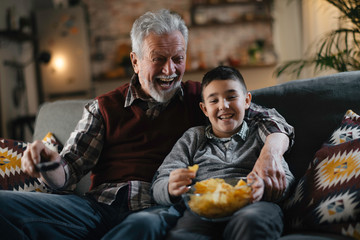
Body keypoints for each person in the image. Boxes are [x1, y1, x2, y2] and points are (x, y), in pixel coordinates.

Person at [0, 9, 293, 240]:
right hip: (96, 208)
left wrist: (271, 154)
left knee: (144, 225)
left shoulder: (201, 98)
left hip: (156, 210)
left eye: (178, 58)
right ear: (135, 61)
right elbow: (66, 176)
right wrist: (49, 164)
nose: (170, 70)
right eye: (159, 59)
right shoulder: (103, 108)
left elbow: (265, 118)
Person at [152, 66, 295, 240]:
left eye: (231, 97)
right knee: (183, 235)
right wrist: (170, 187)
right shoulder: (193, 137)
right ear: (204, 109)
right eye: (214, 101)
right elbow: (160, 180)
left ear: (247, 100)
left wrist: (265, 187)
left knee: (252, 221)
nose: (223, 106)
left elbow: (286, 178)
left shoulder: (261, 134)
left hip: (254, 206)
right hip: (204, 210)